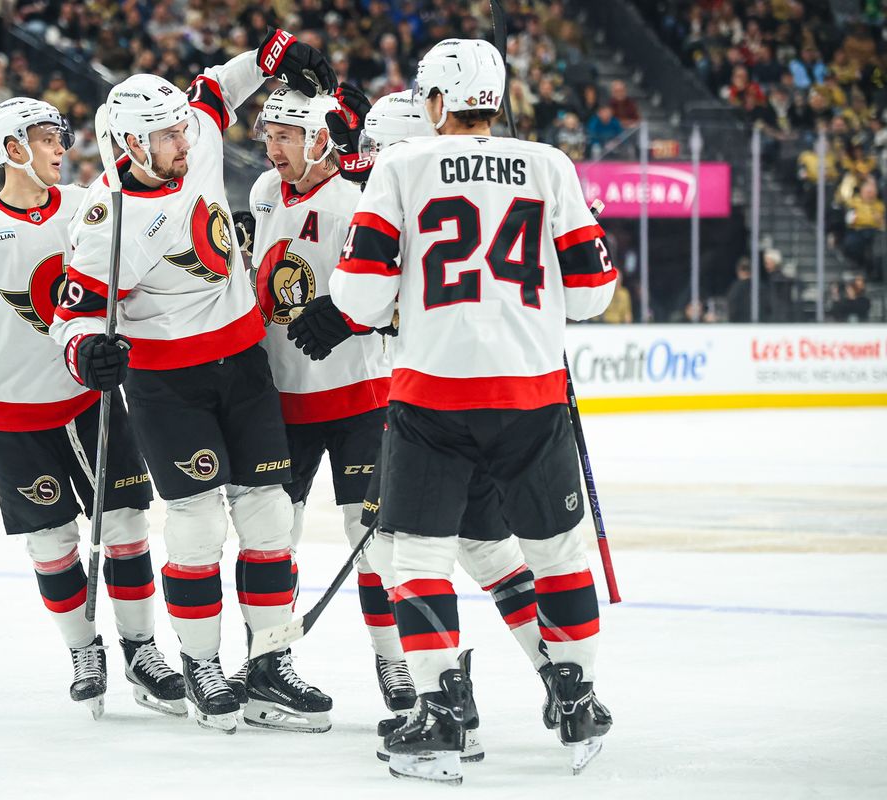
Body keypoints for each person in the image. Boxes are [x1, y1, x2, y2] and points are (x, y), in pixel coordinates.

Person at [331, 39, 617, 784]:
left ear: (432, 103)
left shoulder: (400, 166)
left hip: (433, 396)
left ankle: (438, 719)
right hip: (530, 393)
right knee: (556, 555)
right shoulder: (551, 165)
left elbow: (359, 297)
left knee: (419, 560)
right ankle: (578, 699)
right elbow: (591, 296)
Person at [51, 29, 338, 735]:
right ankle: (202, 661)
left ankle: (271, 662)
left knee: (269, 514)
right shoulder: (105, 221)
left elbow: (219, 87)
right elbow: (71, 314)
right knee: (199, 523)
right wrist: (86, 351)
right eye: (168, 135)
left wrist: (272, 54)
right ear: (129, 147)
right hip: (166, 383)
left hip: (243, 365)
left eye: (181, 128)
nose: (185, 140)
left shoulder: (195, 137)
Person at [0, 97, 185, 719]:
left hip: (86, 399)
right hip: (14, 413)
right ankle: (83, 650)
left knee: (126, 525)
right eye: (47, 137)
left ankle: (142, 649)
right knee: (51, 541)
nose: (60, 148)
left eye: (60, 137)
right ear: (12, 149)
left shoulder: (82, 208)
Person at [241, 85, 413, 714]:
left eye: (284, 135)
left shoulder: (360, 199)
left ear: (319, 140)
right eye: (268, 135)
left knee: (370, 538)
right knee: (270, 536)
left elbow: (400, 291)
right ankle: (268, 663)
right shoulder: (263, 194)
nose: (270, 148)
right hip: (279, 399)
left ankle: (396, 665)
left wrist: (355, 317)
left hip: (360, 398)